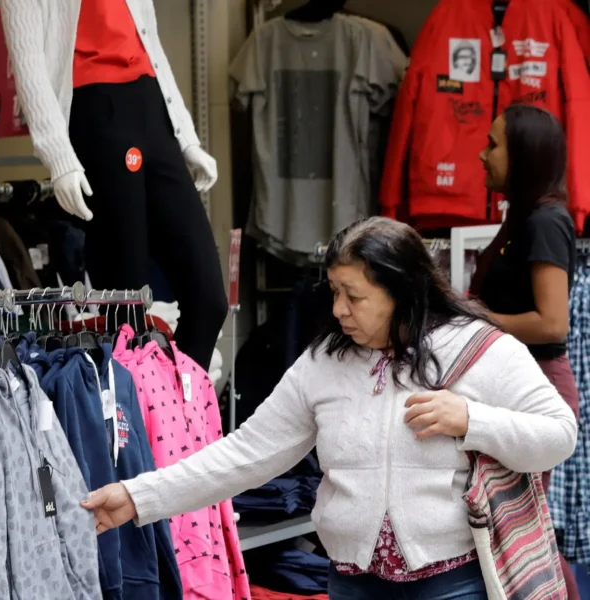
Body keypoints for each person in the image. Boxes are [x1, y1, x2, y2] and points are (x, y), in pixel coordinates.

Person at [82, 216, 577, 599]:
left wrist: (473, 421)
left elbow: (559, 436)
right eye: (335, 292)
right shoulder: (323, 363)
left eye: (354, 296)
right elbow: (244, 456)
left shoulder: (480, 349)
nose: (338, 309)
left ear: (402, 290)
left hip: (453, 584)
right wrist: (139, 497)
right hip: (351, 583)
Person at [471, 103, 580, 596]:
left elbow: (552, 321)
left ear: (525, 155)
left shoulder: (545, 222)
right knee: (512, 528)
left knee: (523, 532)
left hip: (535, 389)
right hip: (512, 383)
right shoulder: (522, 218)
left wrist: (475, 322)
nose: (481, 154)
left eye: (494, 145)